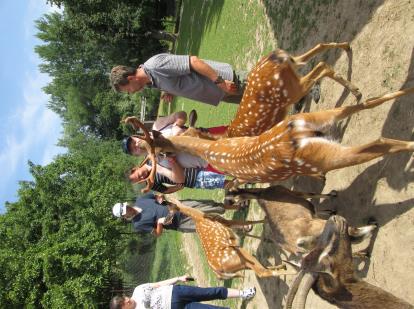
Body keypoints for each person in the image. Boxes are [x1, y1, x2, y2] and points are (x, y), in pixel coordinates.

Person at [110, 53, 248, 105]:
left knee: (269, 86)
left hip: (229, 82)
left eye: (128, 90)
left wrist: (221, 82)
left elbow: (193, 61)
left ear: (130, 78)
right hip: (222, 94)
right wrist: (169, 90)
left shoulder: (155, 65)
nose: (131, 93)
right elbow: (175, 79)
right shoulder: (151, 82)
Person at [112, 193, 248, 235]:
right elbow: (157, 233)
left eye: (126, 207)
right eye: (125, 212)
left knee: (210, 206)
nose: (128, 210)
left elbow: (157, 196)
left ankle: (237, 207)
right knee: (210, 226)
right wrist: (159, 223)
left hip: (180, 206)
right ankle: (240, 227)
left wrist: (160, 198)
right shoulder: (138, 224)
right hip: (179, 223)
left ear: (126, 204)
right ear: (124, 217)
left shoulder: (141, 199)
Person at [109, 274, 256, 309]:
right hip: (177, 308)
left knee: (210, 292)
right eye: (124, 303)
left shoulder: (138, 290)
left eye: (124, 298)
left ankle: (243, 293)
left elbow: (158, 284)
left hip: (177, 291)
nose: (127, 300)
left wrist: (179, 278)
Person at [128, 157, 229, 194]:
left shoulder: (150, 157)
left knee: (224, 167)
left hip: (193, 160)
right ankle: (242, 182)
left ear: (135, 168)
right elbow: (165, 190)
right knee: (220, 182)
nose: (142, 177)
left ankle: (242, 175)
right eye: (139, 180)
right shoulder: (150, 183)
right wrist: (177, 188)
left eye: (138, 175)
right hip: (192, 178)